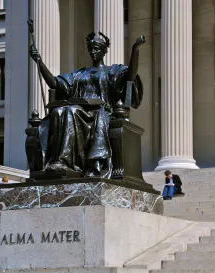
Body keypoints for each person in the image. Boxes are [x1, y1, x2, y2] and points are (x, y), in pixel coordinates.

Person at [29, 32, 145, 178]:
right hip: (80, 111)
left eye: (96, 49)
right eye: (91, 49)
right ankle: (59, 163)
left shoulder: (112, 71)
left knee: (71, 111)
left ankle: (63, 161)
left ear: (104, 51)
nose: (93, 52)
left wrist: (135, 50)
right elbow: (55, 83)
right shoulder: (79, 74)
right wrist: (39, 62)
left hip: (100, 113)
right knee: (58, 112)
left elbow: (130, 75)